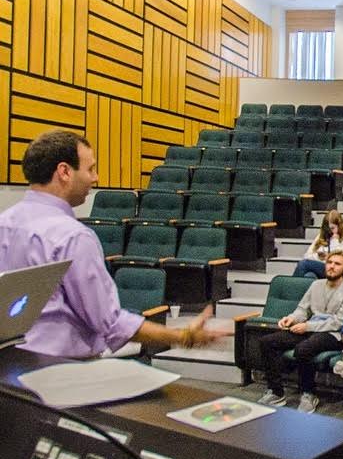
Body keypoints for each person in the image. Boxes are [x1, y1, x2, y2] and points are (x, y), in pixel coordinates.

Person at [0, 130, 227, 358]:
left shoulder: (4, 223)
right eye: (90, 169)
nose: (95, 178)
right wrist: (182, 336)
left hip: (9, 364)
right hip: (60, 368)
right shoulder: (73, 237)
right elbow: (109, 322)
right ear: (65, 172)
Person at [257, 251, 343, 412]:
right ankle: (276, 392)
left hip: (333, 334)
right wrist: (291, 319)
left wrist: (307, 326)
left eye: (337, 264)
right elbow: (302, 310)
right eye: (330, 262)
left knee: (303, 349)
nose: (332, 266)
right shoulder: (316, 285)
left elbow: (338, 322)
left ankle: (308, 393)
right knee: (267, 342)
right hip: (310, 329)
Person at [293, 210, 343, 279]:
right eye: (327, 228)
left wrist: (335, 242)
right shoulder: (322, 235)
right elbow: (307, 256)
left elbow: (342, 260)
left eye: (332, 228)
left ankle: (291, 285)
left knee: (303, 264)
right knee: (309, 276)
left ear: (340, 226)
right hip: (321, 267)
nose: (330, 231)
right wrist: (318, 256)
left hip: (338, 269)